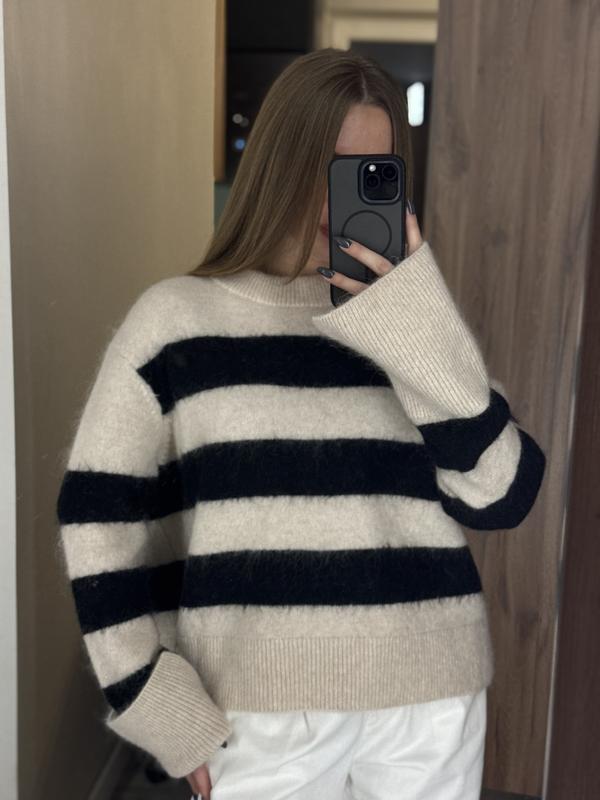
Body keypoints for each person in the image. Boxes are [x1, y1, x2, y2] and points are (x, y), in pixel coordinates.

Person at [55, 48, 546, 800]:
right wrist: (152, 697)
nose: (339, 196)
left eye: (370, 173)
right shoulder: (177, 320)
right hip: (261, 708)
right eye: (322, 165)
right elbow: (97, 516)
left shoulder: (409, 321)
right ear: (276, 164)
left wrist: (413, 320)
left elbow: (503, 494)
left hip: (431, 698)